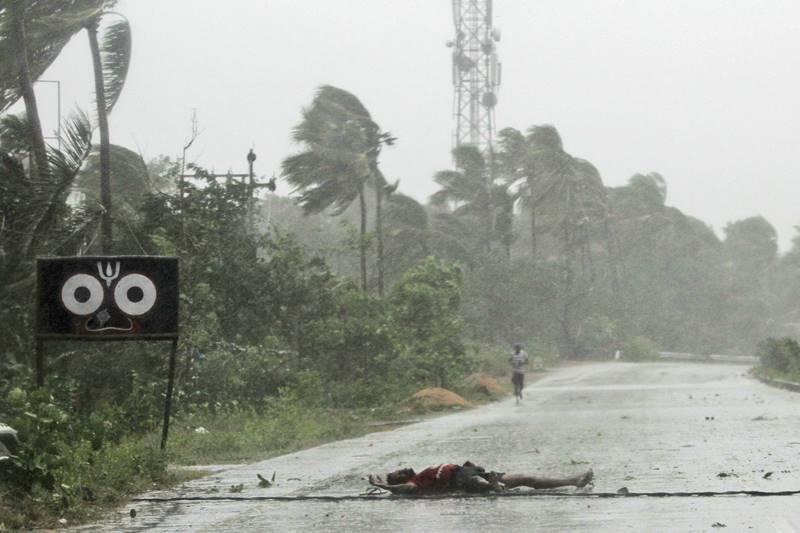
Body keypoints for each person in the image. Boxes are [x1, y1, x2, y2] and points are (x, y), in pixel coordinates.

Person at [368, 461, 593, 495]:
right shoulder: (414, 483)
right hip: (461, 480)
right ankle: (495, 487)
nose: (400, 469)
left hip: (470, 470)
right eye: (394, 473)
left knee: (527, 478)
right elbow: (404, 490)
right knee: (479, 484)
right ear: (398, 480)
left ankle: (573, 480)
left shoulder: (421, 472)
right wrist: (384, 486)